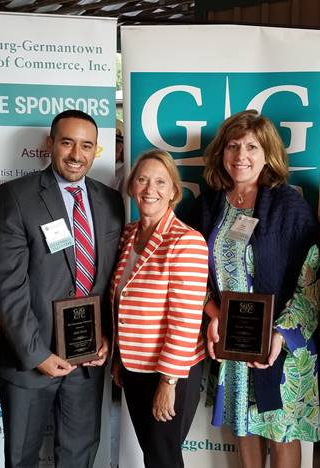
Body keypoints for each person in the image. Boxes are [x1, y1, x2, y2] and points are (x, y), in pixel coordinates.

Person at [0, 109, 124, 468]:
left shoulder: (110, 201)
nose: (76, 154)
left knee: (79, 454)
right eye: (67, 143)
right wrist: (37, 354)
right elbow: (8, 284)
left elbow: (110, 279)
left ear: (96, 151)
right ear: (50, 145)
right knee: (23, 457)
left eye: (86, 145)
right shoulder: (16, 196)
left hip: (87, 358)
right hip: (31, 357)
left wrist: (106, 336)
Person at [188, 110, 320, 468]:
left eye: (251, 146)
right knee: (242, 430)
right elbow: (191, 271)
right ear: (221, 152)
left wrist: (280, 333)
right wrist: (213, 315)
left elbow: (311, 280)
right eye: (233, 146)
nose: (240, 155)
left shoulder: (289, 205)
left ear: (268, 154)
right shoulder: (207, 207)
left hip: (281, 348)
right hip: (232, 343)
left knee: (280, 435)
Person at [110, 149, 208, 468]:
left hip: (169, 372)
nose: (149, 189)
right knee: (153, 454)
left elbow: (185, 319)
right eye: (142, 179)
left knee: (163, 458)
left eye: (159, 182)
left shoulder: (186, 241)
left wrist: (168, 382)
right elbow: (121, 303)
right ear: (131, 186)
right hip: (134, 366)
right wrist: (118, 359)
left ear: (173, 192)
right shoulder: (128, 235)